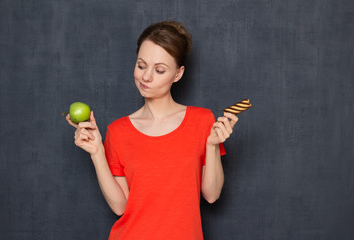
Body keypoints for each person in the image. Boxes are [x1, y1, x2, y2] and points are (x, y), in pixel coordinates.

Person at [66, 21, 238, 240]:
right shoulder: (117, 131)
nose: (146, 77)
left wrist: (212, 145)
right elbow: (121, 207)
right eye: (141, 65)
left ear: (178, 74)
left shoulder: (202, 121)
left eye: (159, 70)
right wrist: (97, 152)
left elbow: (212, 195)